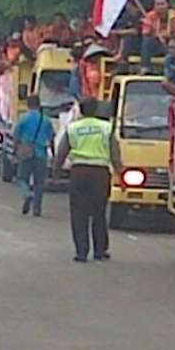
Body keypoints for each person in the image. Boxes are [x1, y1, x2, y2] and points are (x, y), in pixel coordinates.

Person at [61, 97, 116, 262]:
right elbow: (114, 151)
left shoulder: (73, 128)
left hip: (79, 172)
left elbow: (63, 150)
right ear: (97, 110)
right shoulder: (106, 127)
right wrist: (119, 170)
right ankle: (100, 250)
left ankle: (81, 252)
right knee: (99, 213)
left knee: (79, 213)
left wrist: (56, 170)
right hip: (100, 173)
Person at [13, 95, 55, 217]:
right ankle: (37, 209)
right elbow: (51, 138)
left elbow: (16, 136)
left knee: (21, 178)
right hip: (41, 153)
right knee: (39, 183)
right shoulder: (46, 120)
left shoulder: (23, 119)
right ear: (39, 104)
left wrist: (16, 150)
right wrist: (53, 153)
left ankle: (27, 194)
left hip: (26, 152)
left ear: (28, 104)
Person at [140, 0, 175, 73]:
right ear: (154, 6)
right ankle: (145, 67)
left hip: (172, 42)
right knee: (147, 41)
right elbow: (145, 32)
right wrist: (157, 35)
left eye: (162, 4)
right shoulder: (150, 16)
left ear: (168, 5)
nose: (160, 7)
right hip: (156, 43)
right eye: (158, 4)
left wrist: (167, 36)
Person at [111, 0, 143, 64]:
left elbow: (135, 31)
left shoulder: (140, 15)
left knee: (127, 37)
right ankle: (116, 51)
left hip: (139, 41)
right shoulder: (125, 17)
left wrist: (119, 32)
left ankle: (121, 55)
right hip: (123, 42)